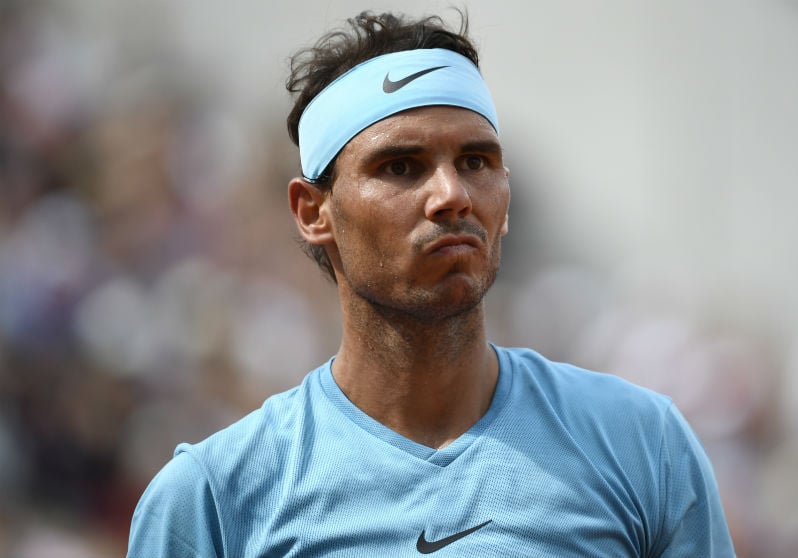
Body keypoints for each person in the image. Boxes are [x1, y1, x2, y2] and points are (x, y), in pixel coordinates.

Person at [126, 10, 736, 557]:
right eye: (400, 166)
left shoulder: (640, 446)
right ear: (314, 212)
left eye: (476, 161)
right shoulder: (213, 500)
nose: (452, 195)